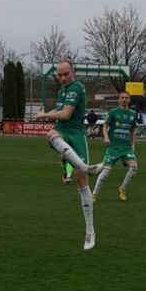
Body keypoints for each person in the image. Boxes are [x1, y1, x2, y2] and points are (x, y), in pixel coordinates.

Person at [35, 60, 104, 250]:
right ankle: (83, 167)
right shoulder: (62, 90)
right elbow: (61, 115)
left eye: (66, 74)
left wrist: (44, 116)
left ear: (72, 72)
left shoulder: (77, 87)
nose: (63, 78)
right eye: (59, 75)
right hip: (62, 131)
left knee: (82, 183)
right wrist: (49, 114)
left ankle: (90, 231)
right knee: (51, 135)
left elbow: (65, 114)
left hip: (76, 134)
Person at [92, 91, 138, 202]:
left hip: (126, 147)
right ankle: (94, 193)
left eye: (126, 98)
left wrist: (133, 144)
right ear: (119, 100)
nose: (124, 99)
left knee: (134, 168)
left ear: (129, 100)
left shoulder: (133, 114)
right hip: (114, 146)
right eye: (122, 97)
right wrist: (106, 137)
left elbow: (133, 131)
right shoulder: (113, 112)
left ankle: (123, 188)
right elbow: (105, 126)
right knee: (106, 172)